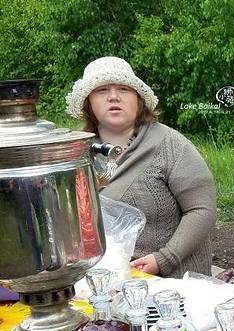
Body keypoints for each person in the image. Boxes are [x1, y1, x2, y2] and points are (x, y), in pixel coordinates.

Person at [66, 57, 216, 278]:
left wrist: (164, 259)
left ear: (138, 99)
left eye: (124, 89)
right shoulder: (74, 153)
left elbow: (202, 209)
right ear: (88, 103)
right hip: (101, 280)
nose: (113, 96)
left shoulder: (170, 144)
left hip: (173, 283)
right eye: (102, 90)